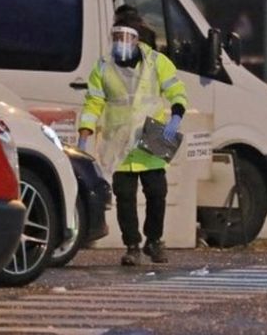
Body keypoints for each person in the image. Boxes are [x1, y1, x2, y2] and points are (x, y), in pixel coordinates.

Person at [78, 22, 188, 266]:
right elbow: (93, 101)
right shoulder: (103, 66)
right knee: (125, 196)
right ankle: (132, 245)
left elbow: (176, 89)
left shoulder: (156, 62)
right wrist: (85, 130)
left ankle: (154, 240)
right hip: (119, 141)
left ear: (137, 40)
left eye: (125, 37)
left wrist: (177, 113)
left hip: (151, 135)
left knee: (157, 192)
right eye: (116, 36)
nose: (120, 41)